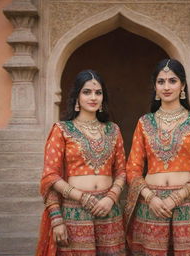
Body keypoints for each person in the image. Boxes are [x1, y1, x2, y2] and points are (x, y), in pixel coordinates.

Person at [125, 59, 190, 256]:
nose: (166, 87)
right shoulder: (144, 122)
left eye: (172, 81)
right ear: (155, 87)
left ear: (182, 85)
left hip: (187, 205)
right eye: (161, 81)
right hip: (150, 207)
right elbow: (132, 169)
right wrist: (151, 198)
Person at [36, 70, 126, 256]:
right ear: (77, 96)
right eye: (87, 92)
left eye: (98, 93)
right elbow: (50, 176)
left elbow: (121, 171)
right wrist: (58, 218)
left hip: (109, 211)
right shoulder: (62, 130)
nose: (93, 97)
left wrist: (111, 198)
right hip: (74, 211)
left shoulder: (113, 130)